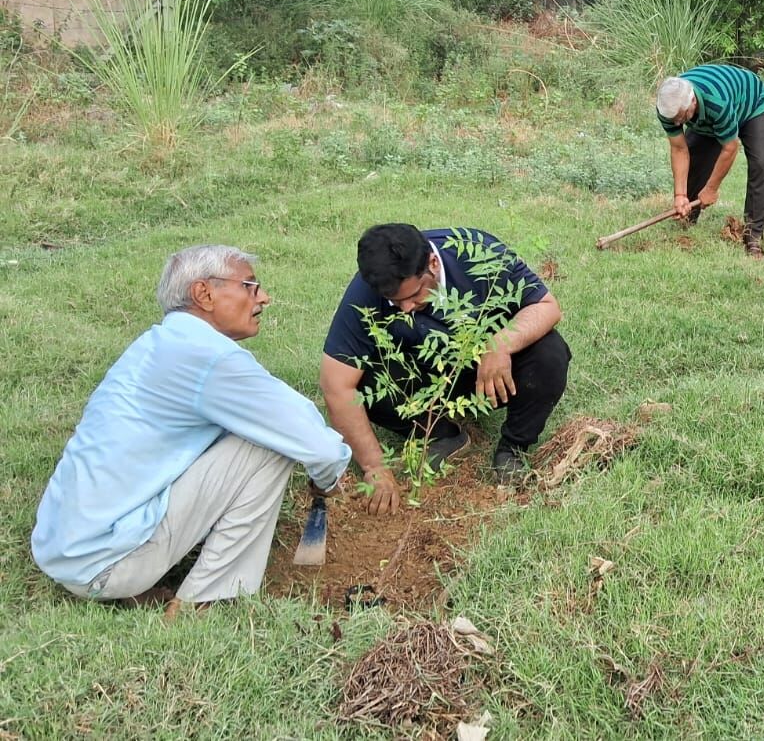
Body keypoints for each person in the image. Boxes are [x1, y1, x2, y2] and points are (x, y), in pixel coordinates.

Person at [32, 245, 351, 614]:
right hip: (103, 564)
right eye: (250, 286)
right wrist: (327, 481)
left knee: (255, 430)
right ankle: (206, 597)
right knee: (272, 444)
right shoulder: (210, 357)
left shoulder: (156, 344)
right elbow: (317, 445)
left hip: (64, 551)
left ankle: (136, 577)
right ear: (204, 293)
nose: (264, 297)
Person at [320, 224, 570, 505]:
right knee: (363, 384)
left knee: (550, 353)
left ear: (434, 264)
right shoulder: (368, 289)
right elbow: (335, 385)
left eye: (414, 296)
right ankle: (442, 434)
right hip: (425, 380)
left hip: (488, 375)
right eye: (395, 302)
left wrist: (500, 345)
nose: (406, 309)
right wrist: (374, 467)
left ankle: (512, 449)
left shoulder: (480, 254)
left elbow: (547, 306)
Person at [655, 65, 764, 257]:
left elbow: (730, 147)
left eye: (681, 118)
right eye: (674, 119)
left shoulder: (717, 103)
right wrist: (679, 195)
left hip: (752, 106)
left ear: (692, 100)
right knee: (695, 156)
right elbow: (679, 149)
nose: (678, 123)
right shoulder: (670, 108)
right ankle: (688, 216)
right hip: (713, 111)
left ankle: (753, 235)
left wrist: (711, 189)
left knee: (758, 165)